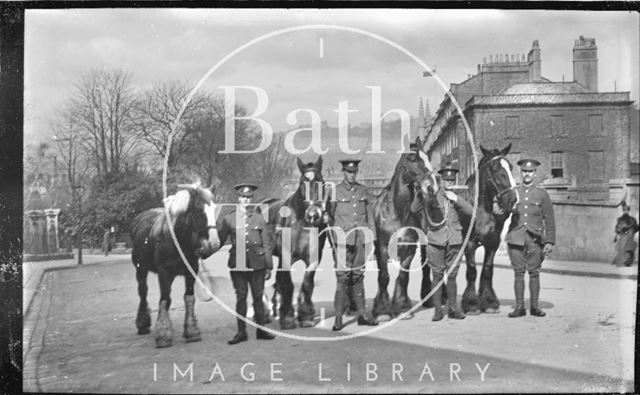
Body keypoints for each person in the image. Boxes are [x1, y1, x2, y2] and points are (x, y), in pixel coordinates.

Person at [411, 167, 473, 321]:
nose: (449, 182)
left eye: (452, 180)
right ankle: (438, 310)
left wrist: (456, 199)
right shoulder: (432, 195)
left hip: (454, 241)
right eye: (446, 180)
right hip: (436, 241)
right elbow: (414, 209)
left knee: (452, 276)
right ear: (441, 180)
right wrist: (421, 192)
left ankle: (452, 309)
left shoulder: (459, 196)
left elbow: (471, 211)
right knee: (437, 276)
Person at [325, 159, 378, 331]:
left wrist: (372, 237)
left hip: (360, 240)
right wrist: (331, 235)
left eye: (354, 172)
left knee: (358, 277)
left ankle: (362, 314)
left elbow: (370, 216)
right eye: (349, 172)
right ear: (344, 172)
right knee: (342, 279)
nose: (352, 175)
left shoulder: (363, 190)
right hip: (342, 242)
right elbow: (329, 216)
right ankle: (339, 318)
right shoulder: (335, 191)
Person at [218, 183, 276, 345]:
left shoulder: (259, 218)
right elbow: (220, 241)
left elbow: (266, 243)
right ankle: (241, 332)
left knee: (258, 297)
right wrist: (204, 252)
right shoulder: (229, 219)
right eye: (243, 197)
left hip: (257, 264)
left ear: (252, 199)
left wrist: (269, 266)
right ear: (238, 198)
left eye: (249, 197)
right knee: (241, 297)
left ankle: (261, 330)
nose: (246, 200)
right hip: (238, 264)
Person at [505, 159, 555, 318]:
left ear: (535, 173)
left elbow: (550, 219)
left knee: (534, 273)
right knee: (518, 273)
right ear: (521, 173)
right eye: (525, 171)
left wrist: (549, 241)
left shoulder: (542, 194)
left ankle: (534, 306)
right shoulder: (513, 192)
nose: (527, 174)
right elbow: (501, 212)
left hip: (535, 240)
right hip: (516, 238)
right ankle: (519, 307)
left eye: (530, 171)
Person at [612, 202, 639, 267]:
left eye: (626, 210)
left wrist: (629, 231)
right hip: (625, 236)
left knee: (627, 249)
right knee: (625, 249)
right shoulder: (622, 219)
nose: (625, 211)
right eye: (624, 210)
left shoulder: (629, 219)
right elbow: (617, 228)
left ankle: (627, 262)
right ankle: (625, 262)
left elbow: (635, 227)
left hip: (627, 237)